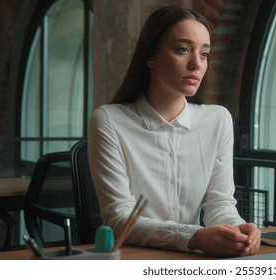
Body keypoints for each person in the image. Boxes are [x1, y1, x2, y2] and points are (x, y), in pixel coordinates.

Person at [87, 6, 261, 257]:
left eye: (204, 54)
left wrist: (237, 231)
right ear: (150, 56)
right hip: (133, 258)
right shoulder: (109, 120)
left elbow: (219, 204)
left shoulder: (218, 119)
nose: (196, 64)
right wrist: (194, 236)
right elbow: (119, 217)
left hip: (194, 258)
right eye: (182, 49)